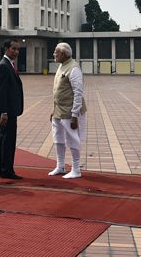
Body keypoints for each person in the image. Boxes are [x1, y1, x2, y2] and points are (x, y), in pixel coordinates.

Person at [49, 42, 87, 179]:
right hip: (58, 110)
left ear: (64, 54)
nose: (54, 54)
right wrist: (53, 110)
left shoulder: (73, 68)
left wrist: (75, 115)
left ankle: (76, 169)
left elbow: (78, 92)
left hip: (70, 112)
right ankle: (60, 166)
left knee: (72, 140)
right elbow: (58, 90)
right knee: (57, 138)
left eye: (56, 52)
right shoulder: (61, 66)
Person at [0, 39, 24, 179]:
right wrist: (4, 112)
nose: (16, 52)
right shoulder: (4, 66)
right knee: (8, 140)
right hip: (8, 111)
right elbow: (2, 91)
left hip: (11, 110)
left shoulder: (9, 64)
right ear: (6, 48)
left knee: (5, 139)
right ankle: (6, 170)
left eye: (18, 49)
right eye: (13, 49)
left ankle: (1, 168)